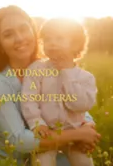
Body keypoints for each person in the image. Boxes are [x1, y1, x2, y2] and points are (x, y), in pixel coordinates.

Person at [0, 6, 100, 164]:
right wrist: (78, 134)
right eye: (8, 34)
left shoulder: (52, 67)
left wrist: (88, 125)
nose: (20, 38)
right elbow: (19, 141)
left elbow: (71, 103)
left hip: (51, 147)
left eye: (24, 29)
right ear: (0, 45)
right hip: (12, 159)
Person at [20, 18, 98, 166]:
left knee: (84, 163)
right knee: (41, 163)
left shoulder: (86, 78)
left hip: (75, 135)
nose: (52, 43)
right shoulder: (36, 69)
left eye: (59, 38)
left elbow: (80, 105)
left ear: (75, 44)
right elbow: (29, 99)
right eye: (47, 39)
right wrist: (37, 124)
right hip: (47, 133)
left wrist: (67, 72)